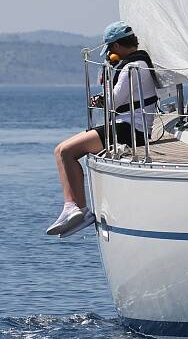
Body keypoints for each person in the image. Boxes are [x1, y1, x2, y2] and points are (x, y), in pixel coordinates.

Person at [46, 21, 160, 237]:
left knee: (65, 152)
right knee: (61, 150)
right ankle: (73, 207)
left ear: (116, 46)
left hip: (129, 130)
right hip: (127, 126)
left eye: (110, 50)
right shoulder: (138, 63)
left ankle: (77, 208)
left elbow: (114, 101)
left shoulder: (131, 67)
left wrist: (102, 92)